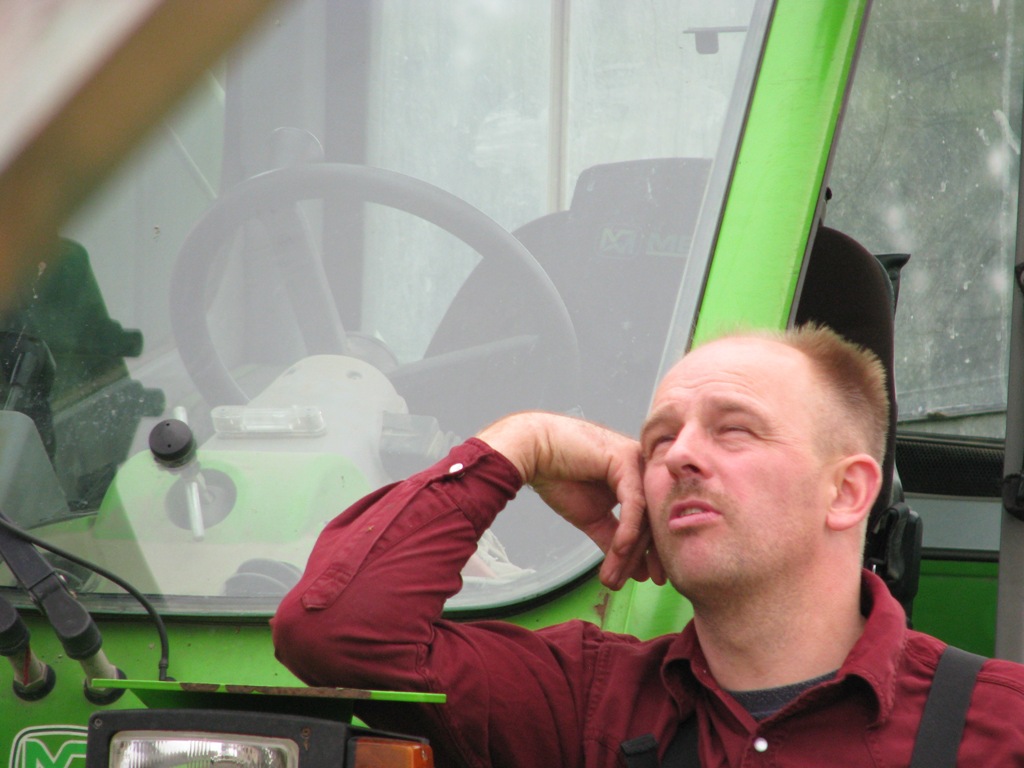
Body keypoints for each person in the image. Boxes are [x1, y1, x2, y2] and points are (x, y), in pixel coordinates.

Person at [271, 325, 1024, 767]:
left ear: (848, 491)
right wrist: (522, 443)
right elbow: (335, 633)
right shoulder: (585, 702)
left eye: (734, 429)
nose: (679, 456)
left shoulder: (1000, 728)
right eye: (659, 439)